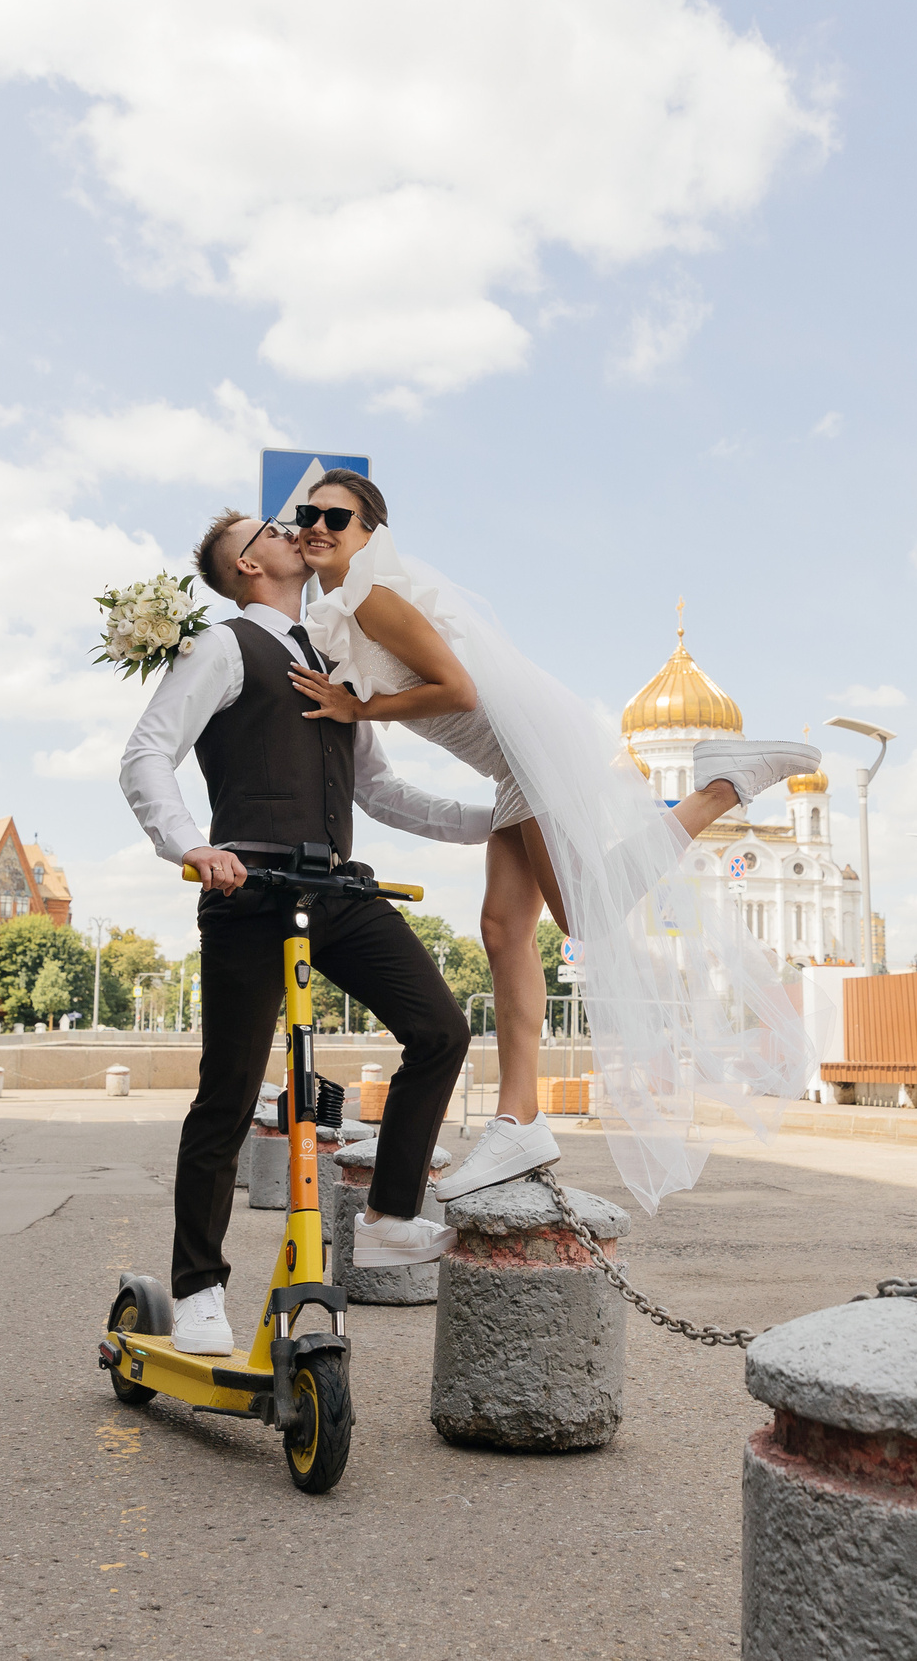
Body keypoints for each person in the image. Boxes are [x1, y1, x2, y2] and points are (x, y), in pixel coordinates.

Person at [291, 471, 818, 1208]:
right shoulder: (351, 602)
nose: (316, 524)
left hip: (525, 752)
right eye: (305, 514)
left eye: (335, 516)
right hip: (511, 760)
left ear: (370, 530)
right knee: (504, 930)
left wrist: (358, 708)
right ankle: (521, 1117)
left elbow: (458, 688)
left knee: (584, 915)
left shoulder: (375, 594)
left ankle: (719, 789)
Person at [117, 507, 490, 1357]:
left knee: (440, 1027)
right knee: (230, 1088)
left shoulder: (333, 656)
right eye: (273, 528)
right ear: (248, 566)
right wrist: (192, 846)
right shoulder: (220, 646)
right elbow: (146, 755)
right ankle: (201, 1286)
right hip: (249, 886)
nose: (293, 528)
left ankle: (393, 1210)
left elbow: (381, 792)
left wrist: (491, 819)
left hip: (334, 887)